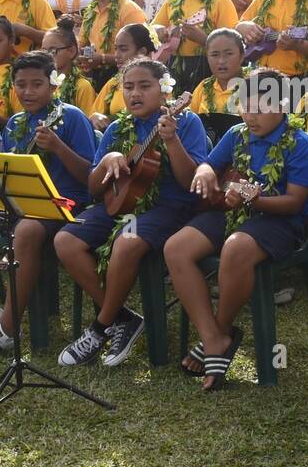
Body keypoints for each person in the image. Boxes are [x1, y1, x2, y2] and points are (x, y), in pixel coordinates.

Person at [171, 68, 308, 389]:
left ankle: (222, 329)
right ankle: (212, 337)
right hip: (234, 212)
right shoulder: (237, 134)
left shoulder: (299, 144)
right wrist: (203, 172)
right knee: (176, 248)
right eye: (245, 106)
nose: (250, 116)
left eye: (260, 108)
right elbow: (210, 165)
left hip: (280, 220)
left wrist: (257, 201)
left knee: (236, 247)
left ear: (283, 106)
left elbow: (295, 203)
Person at [54, 59, 210, 368]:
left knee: (125, 241)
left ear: (165, 92)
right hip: (119, 204)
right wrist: (110, 157)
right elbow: (94, 190)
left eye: (144, 86)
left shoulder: (187, 122)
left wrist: (171, 140)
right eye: (128, 87)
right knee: (65, 240)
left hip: (169, 208)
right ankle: (123, 318)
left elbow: (190, 181)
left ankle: (99, 328)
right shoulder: (117, 127)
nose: (134, 93)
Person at [0, 51, 99, 360]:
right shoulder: (16, 122)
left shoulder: (71, 117)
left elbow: (89, 177)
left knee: (28, 229)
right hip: (18, 203)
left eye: (36, 84)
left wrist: (58, 147)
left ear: (53, 85)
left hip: (64, 203)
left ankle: (6, 330)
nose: (28, 92)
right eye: (21, 85)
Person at [153, 0, 240, 91]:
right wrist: (158, 30)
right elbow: (152, 28)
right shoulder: (172, 1)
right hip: (175, 67)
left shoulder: (220, 1)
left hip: (208, 67)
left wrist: (204, 39)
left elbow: (233, 46)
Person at [76, 0, 146, 93]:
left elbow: (140, 56)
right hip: (94, 77)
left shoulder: (129, 10)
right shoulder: (91, 10)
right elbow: (82, 43)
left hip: (125, 79)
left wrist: (101, 58)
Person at [90, 22, 158, 130]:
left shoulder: (160, 83)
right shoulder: (114, 83)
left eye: (123, 49)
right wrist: (94, 118)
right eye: (116, 48)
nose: (116, 55)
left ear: (142, 52)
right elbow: (93, 114)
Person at [189, 28, 248, 117]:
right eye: (214, 55)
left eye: (229, 54)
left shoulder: (256, 83)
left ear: (242, 56)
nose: (221, 61)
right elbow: (190, 121)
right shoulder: (203, 87)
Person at [41, 22, 97, 115]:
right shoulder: (42, 83)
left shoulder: (82, 86)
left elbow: (86, 122)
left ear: (71, 51)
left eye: (53, 50)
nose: (47, 56)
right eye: (43, 50)